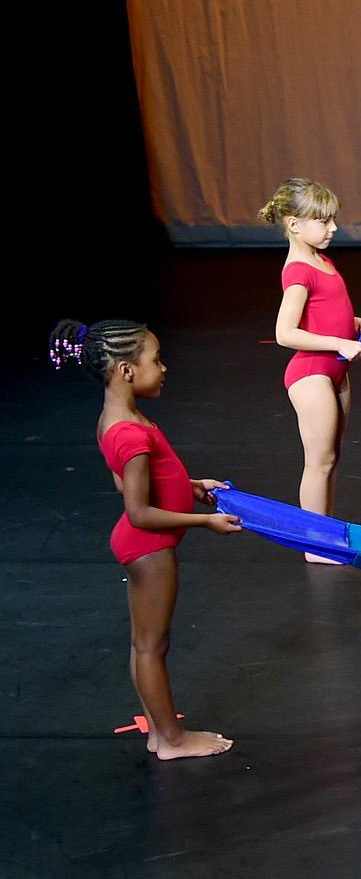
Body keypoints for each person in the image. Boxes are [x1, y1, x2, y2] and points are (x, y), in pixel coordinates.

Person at [50, 318, 241, 760]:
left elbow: (133, 484)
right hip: (148, 547)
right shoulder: (130, 432)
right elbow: (138, 510)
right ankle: (172, 741)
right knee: (152, 647)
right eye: (156, 360)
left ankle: (158, 733)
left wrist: (190, 485)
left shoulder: (117, 418)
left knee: (145, 645)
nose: (165, 367)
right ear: (126, 371)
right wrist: (204, 521)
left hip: (140, 545)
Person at [262, 177, 361, 559]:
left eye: (332, 219)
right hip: (312, 375)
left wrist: (352, 324)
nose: (333, 228)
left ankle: (324, 531)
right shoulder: (297, 271)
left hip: (334, 372)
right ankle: (313, 543)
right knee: (319, 461)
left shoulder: (321, 260)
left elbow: (326, 313)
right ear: (294, 224)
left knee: (331, 457)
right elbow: (285, 332)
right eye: (323, 221)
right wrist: (340, 342)